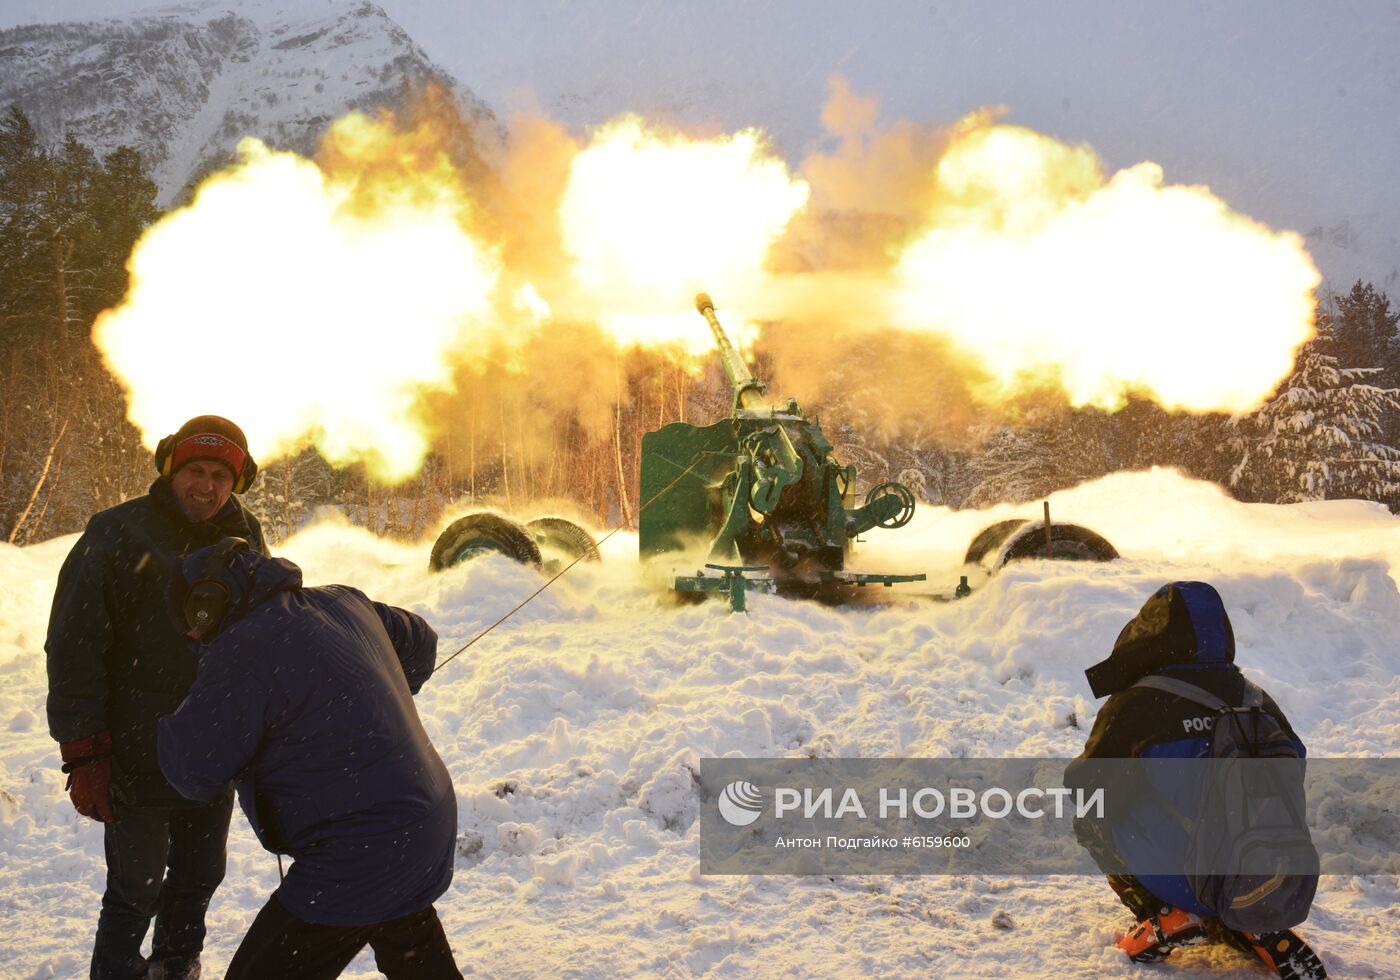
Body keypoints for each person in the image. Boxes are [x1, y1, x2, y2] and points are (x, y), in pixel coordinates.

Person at [157, 539, 462, 980]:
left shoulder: (241, 651)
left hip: (357, 850)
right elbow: (421, 643)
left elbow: (193, 771)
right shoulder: (342, 598)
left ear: (208, 604)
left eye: (190, 619)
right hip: (423, 823)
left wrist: (164, 718)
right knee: (408, 941)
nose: (189, 633)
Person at [46, 415, 267, 980]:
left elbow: (264, 638)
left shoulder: (245, 535)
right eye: (196, 469)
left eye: (221, 475)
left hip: (212, 748)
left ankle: (175, 965)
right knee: (135, 888)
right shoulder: (117, 532)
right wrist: (85, 750)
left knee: (199, 876)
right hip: (135, 747)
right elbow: (74, 645)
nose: (208, 485)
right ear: (171, 468)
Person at [1067, 581, 1326, 979]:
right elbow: (1296, 765)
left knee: (1089, 815)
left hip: (1179, 877)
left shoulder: (1137, 702)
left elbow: (1087, 785)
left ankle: (1171, 914)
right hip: (1263, 871)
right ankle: (1247, 919)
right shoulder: (1254, 698)